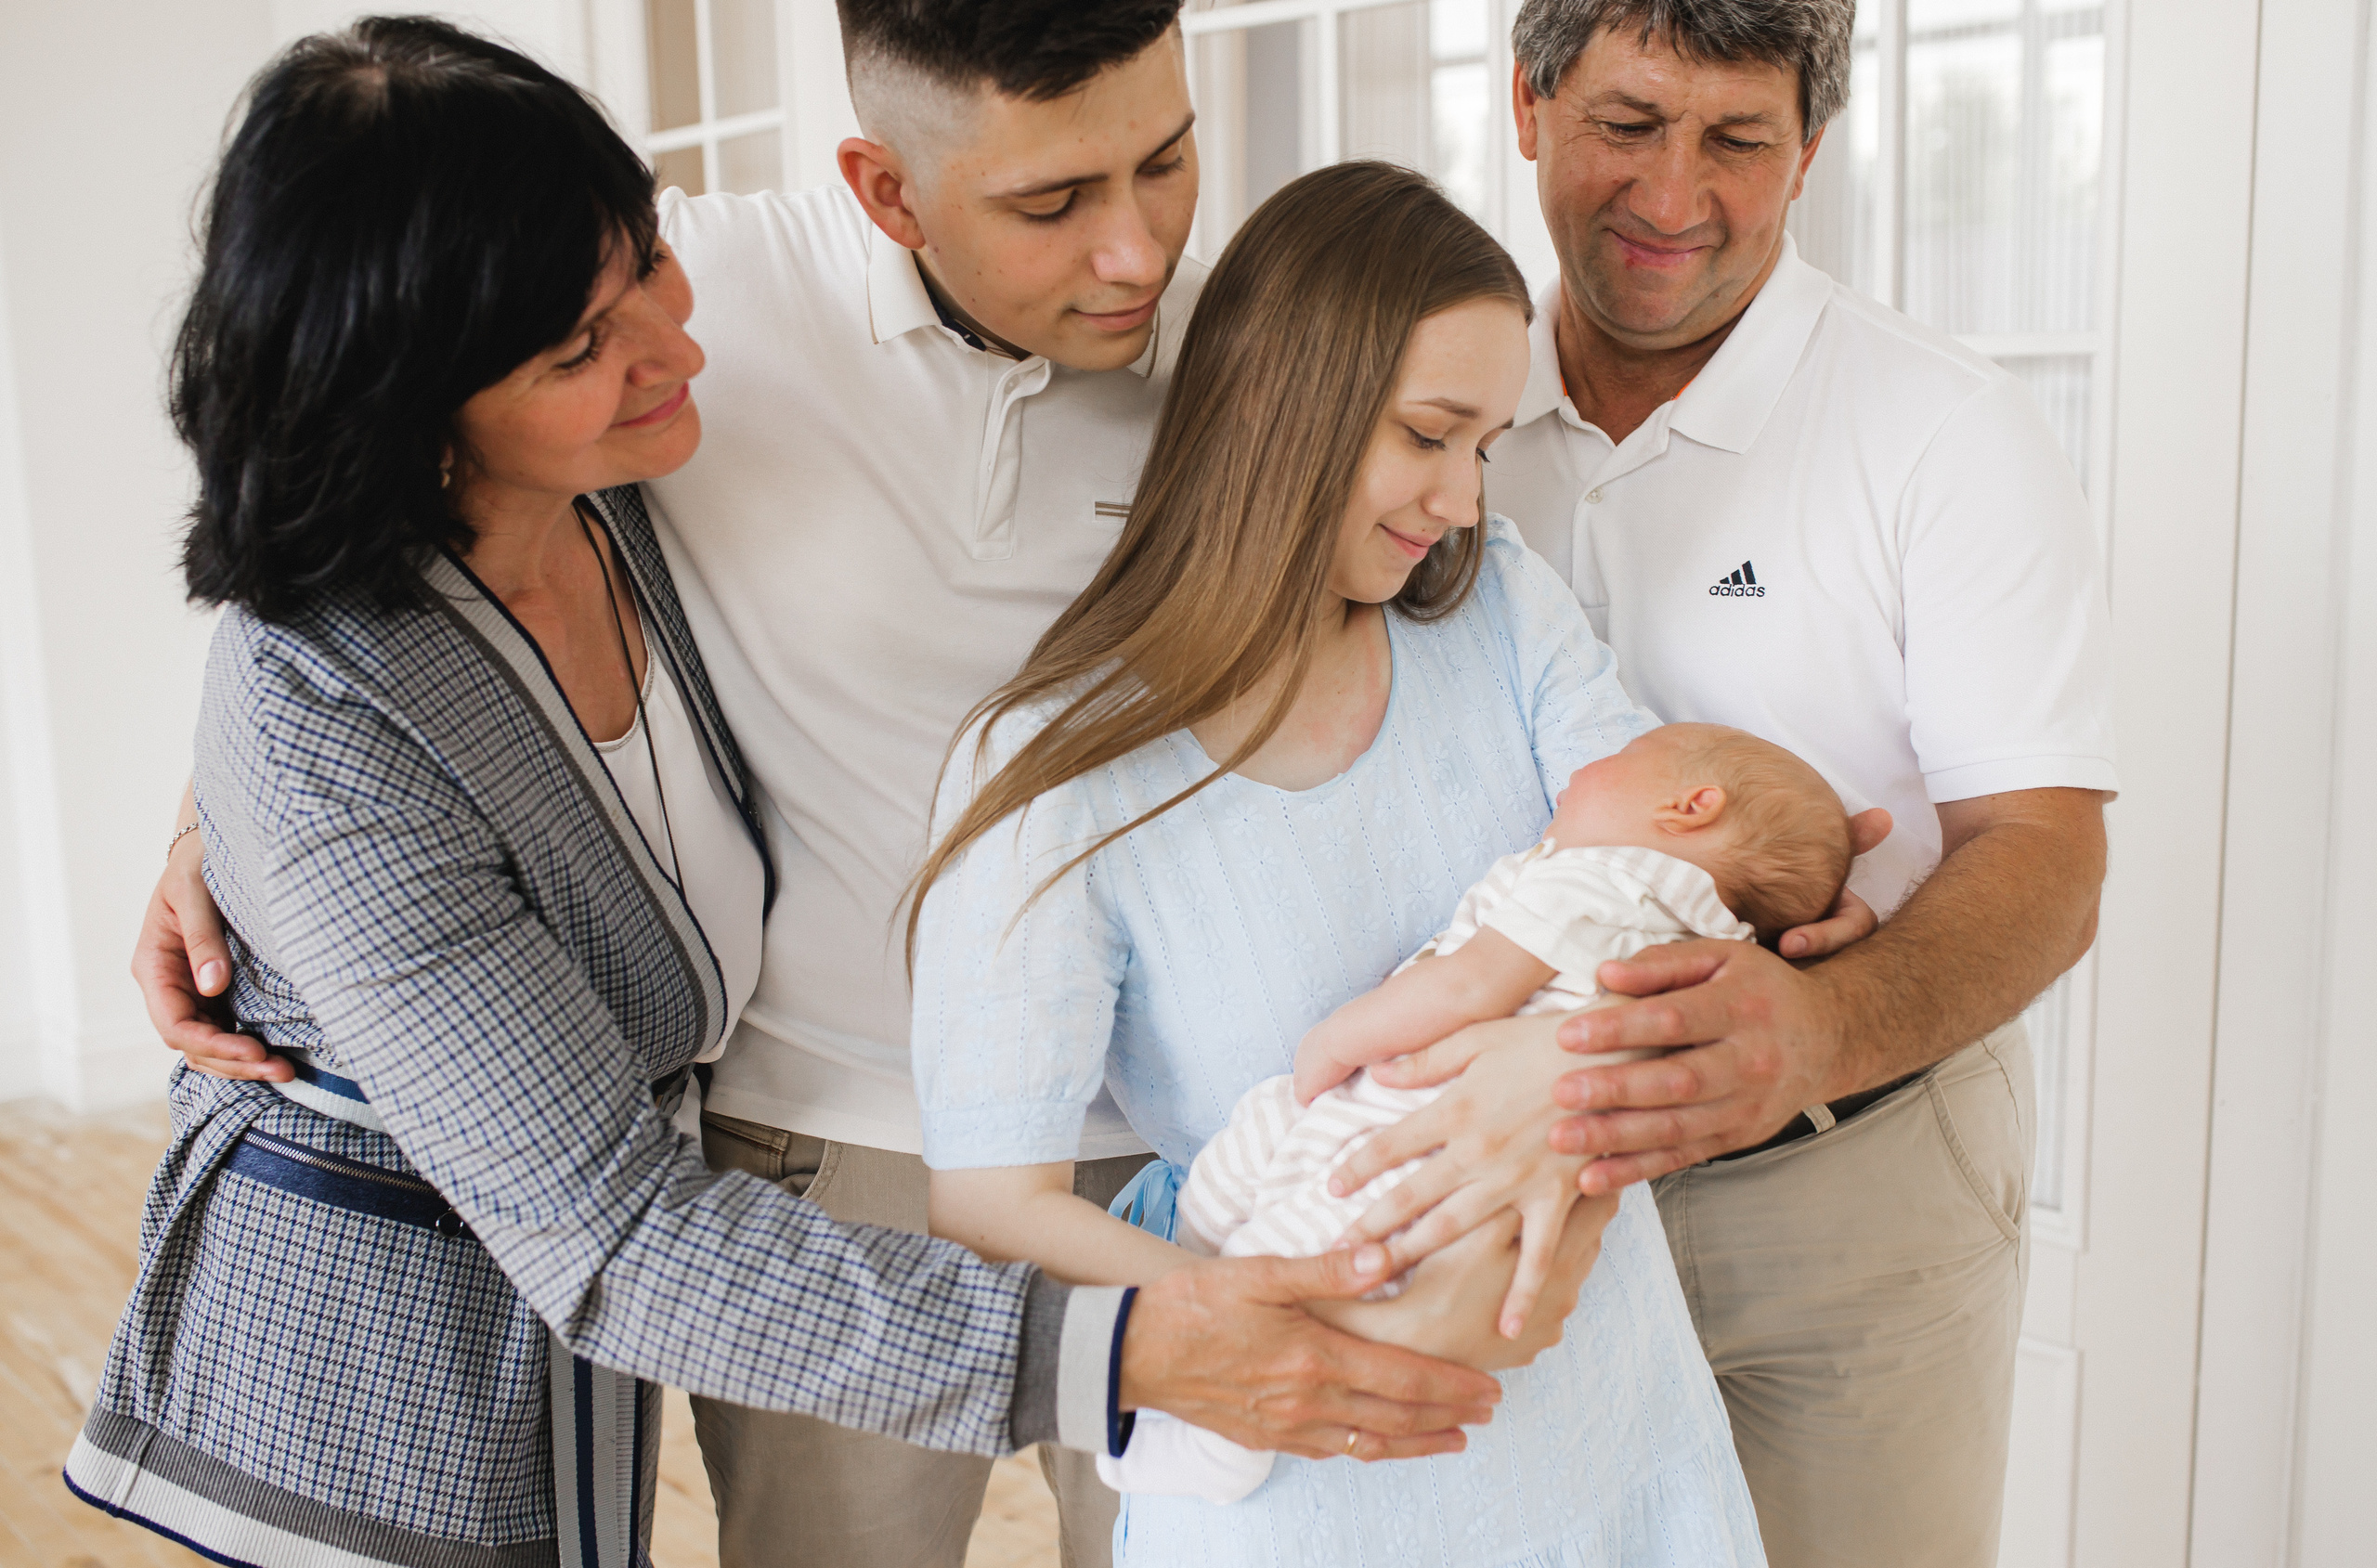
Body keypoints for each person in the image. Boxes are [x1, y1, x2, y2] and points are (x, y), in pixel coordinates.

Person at [71, 23, 1510, 1568]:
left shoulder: (608, 462)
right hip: (451, 1350)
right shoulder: (365, 669)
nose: (677, 353)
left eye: (1164, 158)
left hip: (1118, 1135)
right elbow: (611, 1225)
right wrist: (232, 811)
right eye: (580, 350)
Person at [1318, 5, 2119, 1564]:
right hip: (1492, 1172)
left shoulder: (1947, 432)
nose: (1675, 194)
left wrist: (1815, 1023)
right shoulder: (1428, 412)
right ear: (1529, 109)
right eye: (1627, 123)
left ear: (1808, 150)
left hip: (1848, 1178)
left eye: (1737, 139)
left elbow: (2046, 853)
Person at [909, 160, 1765, 1568]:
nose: (1465, 500)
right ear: (1273, 400)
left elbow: (1694, 873)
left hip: (1612, 1437)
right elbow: (993, 1207)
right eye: (1432, 434)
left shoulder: (1494, 613)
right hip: (1306, 1476)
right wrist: (1318, 1324)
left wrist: (1564, 1075)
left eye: (1487, 445)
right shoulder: (1058, 771)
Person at [1104, 723, 1854, 1509]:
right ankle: (1188, 1283)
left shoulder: (1613, 880)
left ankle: (1212, 1451)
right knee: (1259, 1191)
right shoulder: (1711, 939)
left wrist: (1337, 1038)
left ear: (1690, 806)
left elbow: (1467, 988)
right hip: (1425, 1122)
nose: (1587, 764)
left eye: (1621, 758)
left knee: (1279, 1253)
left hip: (1416, 1135)